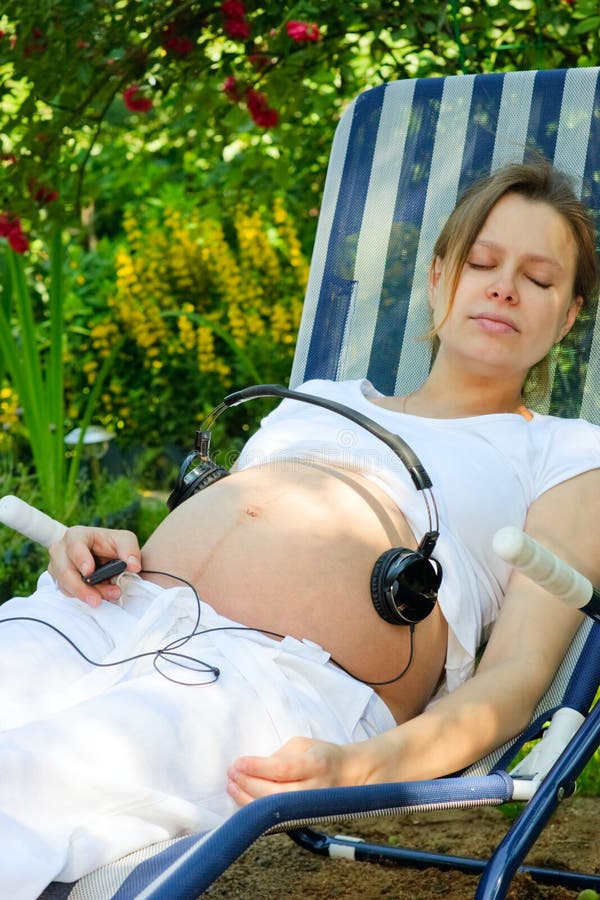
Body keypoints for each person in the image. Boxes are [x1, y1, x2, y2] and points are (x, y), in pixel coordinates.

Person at [1, 161, 600, 898]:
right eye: (481, 261)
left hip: (263, 685)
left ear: (569, 315)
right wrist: (102, 547)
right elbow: (219, 536)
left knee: (22, 785)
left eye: (540, 279)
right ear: (440, 277)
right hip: (96, 618)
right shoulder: (314, 399)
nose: (504, 285)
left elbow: (518, 677)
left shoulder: (570, 455)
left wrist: (363, 767)